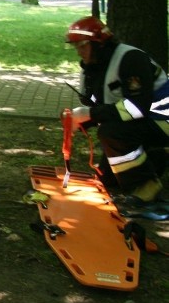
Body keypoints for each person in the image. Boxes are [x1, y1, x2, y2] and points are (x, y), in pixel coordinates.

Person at [65, 16, 169, 204]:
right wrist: (80, 120)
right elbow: (103, 106)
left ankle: (147, 191)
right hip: (145, 121)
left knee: (112, 132)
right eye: (76, 47)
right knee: (109, 179)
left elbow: (136, 108)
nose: (79, 52)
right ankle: (156, 158)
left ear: (98, 44)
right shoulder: (95, 67)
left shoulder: (131, 59)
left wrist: (90, 115)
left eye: (82, 46)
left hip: (163, 119)